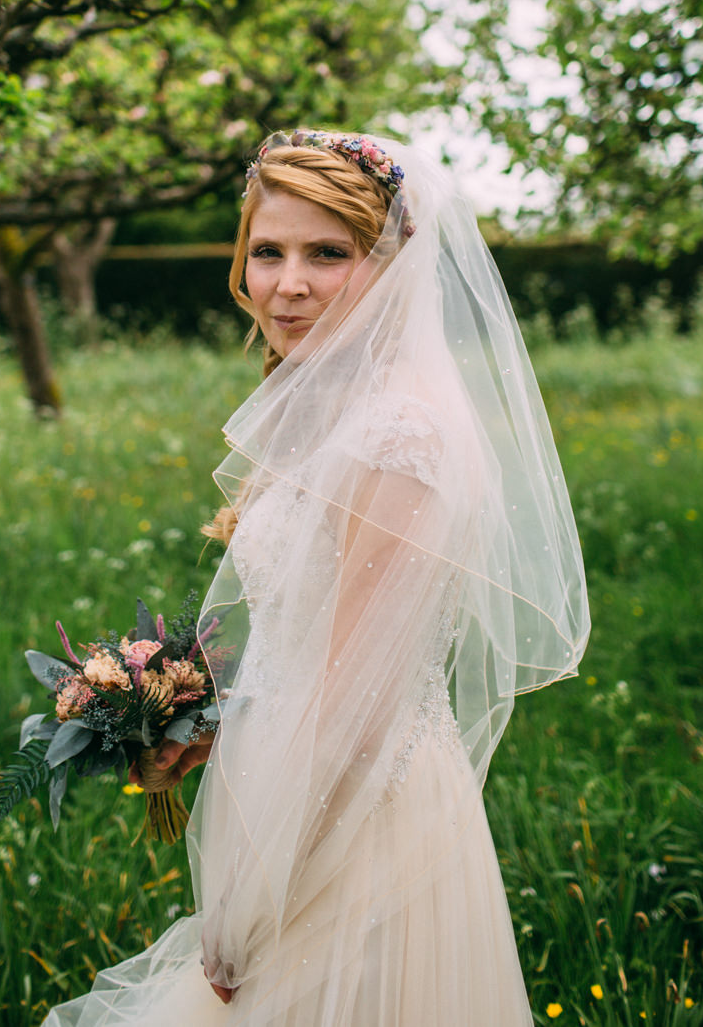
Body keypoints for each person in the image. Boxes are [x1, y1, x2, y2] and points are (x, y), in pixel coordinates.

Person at [42, 129, 589, 1027]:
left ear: (394, 269)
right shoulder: (338, 407)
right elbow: (309, 653)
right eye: (268, 252)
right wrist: (202, 721)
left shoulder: (398, 440)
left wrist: (257, 908)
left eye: (326, 254)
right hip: (294, 786)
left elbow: (359, 712)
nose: (286, 284)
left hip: (358, 826)